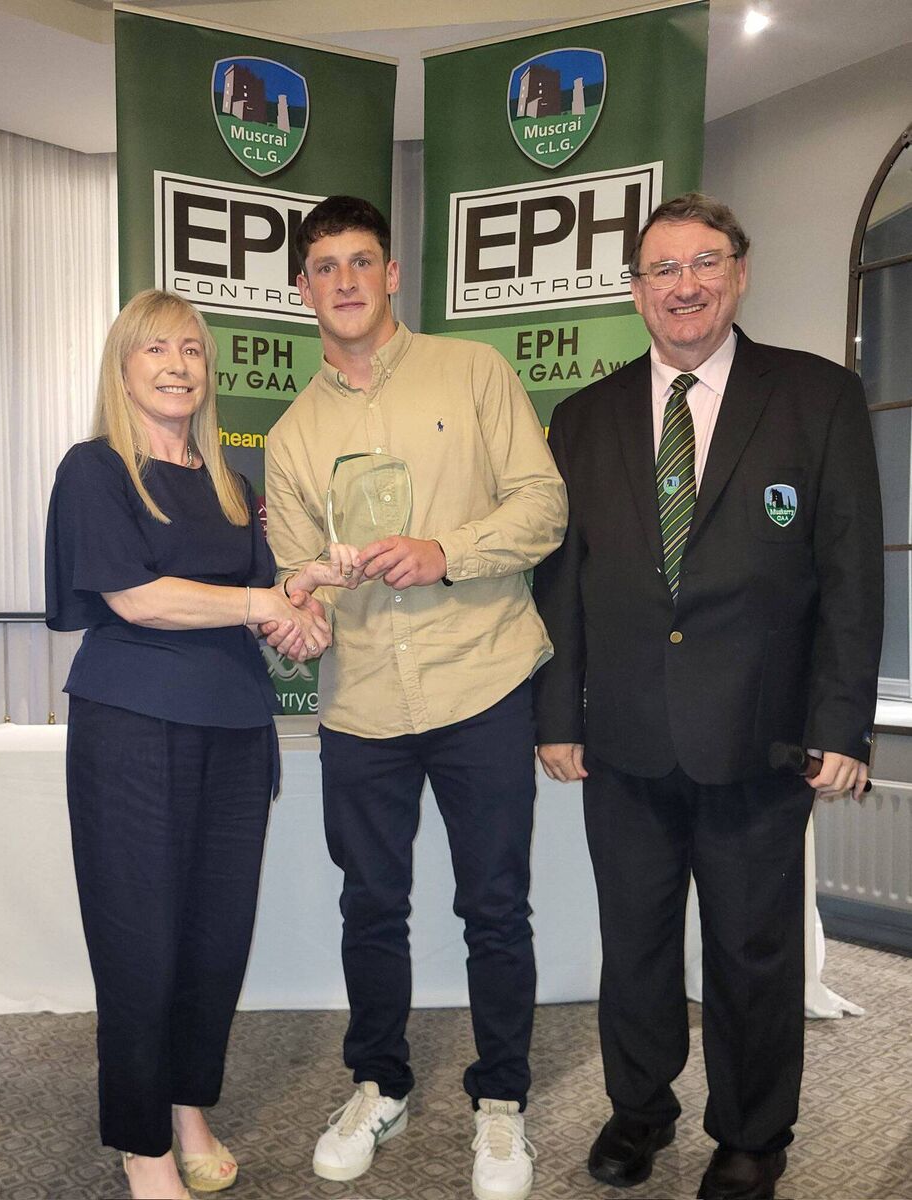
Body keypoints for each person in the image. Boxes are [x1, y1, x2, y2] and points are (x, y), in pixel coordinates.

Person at [532, 192, 883, 1200]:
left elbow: (850, 575)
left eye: (703, 263)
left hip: (759, 738)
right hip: (624, 738)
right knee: (633, 946)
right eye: (661, 269)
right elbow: (561, 581)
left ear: (738, 272)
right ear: (635, 290)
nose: (682, 286)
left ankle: (751, 1135)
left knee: (750, 951)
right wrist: (555, 716)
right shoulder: (583, 418)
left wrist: (840, 725)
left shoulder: (816, 396)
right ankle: (638, 1110)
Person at [262, 196, 567, 1200]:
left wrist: (445, 551)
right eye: (324, 267)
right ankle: (378, 1082)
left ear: (391, 274)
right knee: (369, 905)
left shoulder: (472, 372)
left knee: (494, 906)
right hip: (360, 703)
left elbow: (543, 504)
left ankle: (501, 1099)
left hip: (480, 678)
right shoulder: (292, 436)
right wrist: (300, 607)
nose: (344, 281)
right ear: (302, 289)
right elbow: (298, 576)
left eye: (361, 261)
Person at [45, 289, 358, 1200]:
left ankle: (187, 1109)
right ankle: (142, 1145)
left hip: (234, 730)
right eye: (155, 350)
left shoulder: (232, 485)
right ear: (123, 367)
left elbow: (262, 609)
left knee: (215, 941)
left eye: (190, 349)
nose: (178, 365)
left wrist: (303, 612)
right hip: (131, 732)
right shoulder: (96, 469)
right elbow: (137, 599)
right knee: (139, 944)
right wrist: (264, 601)